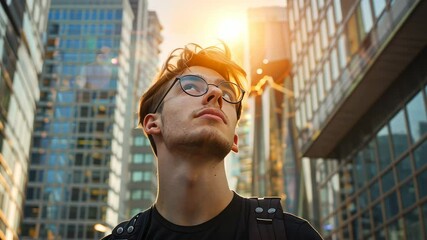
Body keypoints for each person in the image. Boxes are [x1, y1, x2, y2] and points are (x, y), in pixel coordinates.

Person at [102, 43, 322, 240]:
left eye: (227, 93)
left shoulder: (291, 235)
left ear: (234, 139)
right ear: (153, 124)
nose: (216, 93)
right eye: (191, 86)